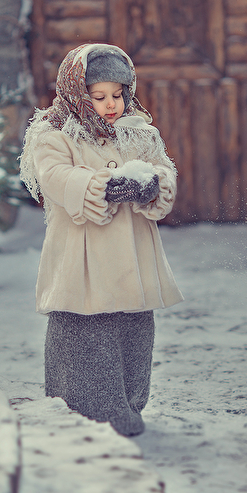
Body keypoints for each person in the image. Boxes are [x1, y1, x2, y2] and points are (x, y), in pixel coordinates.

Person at [18, 43, 184, 436]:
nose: (111, 105)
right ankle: (86, 411)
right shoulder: (54, 134)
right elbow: (55, 176)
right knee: (87, 333)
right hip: (83, 258)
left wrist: (154, 185)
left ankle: (130, 403)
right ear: (77, 93)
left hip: (133, 258)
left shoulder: (139, 132)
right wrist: (102, 187)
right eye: (98, 96)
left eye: (118, 95)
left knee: (133, 333)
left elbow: (163, 168)